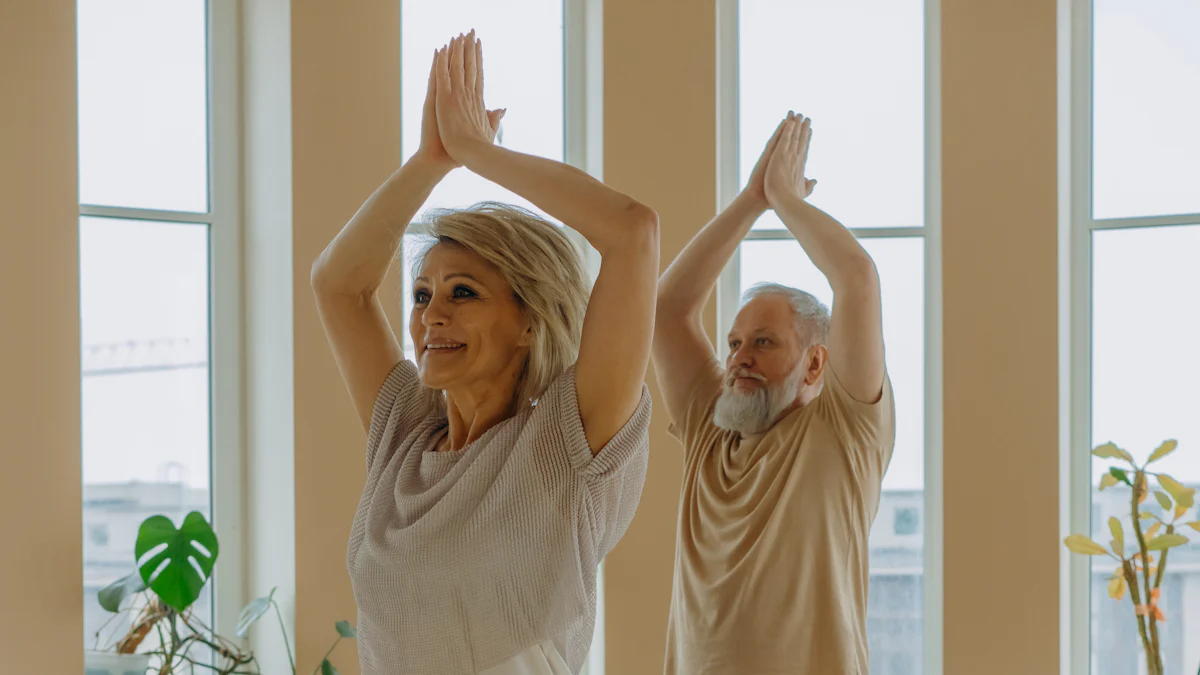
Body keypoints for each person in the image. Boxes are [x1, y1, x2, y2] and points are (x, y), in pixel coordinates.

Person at [311, 31, 659, 675]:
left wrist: (476, 153)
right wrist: (429, 162)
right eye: (422, 294)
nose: (430, 315)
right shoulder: (404, 432)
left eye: (463, 292)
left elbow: (633, 232)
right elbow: (337, 285)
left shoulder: (568, 439)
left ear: (529, 320)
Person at [654, 111, 895, 674]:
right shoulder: (707, 427)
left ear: (815, 364)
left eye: (763, 342)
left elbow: (856, 276)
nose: (740, 357)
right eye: (735, 342)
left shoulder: (845, 431)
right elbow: (667, 309)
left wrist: (787, 201)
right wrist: (751, 199)